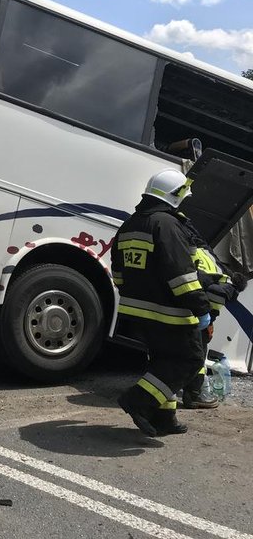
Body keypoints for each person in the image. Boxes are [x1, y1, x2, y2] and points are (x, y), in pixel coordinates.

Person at [112, 168, 212, 437]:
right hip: (169, 313)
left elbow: (118, 272)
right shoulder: (167, 225)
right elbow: (182, 276)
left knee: (163, 361)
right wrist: (202, 309)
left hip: (138, 312)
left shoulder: (130, 224)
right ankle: (138, 401)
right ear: (175, 196)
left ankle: (164, 418)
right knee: (188, 360)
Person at [177, 220, 246, 409]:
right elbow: (214, 295)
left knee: (173, 352)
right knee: (197, 354)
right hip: (195, 311)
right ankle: (195, 395)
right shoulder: (223, 280)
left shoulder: (188, 249)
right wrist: (208, 318)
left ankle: (177, 390)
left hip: (181, 308)